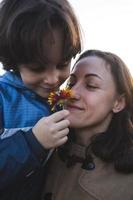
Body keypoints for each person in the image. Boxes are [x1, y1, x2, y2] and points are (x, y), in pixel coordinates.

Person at [0, 0, 82, 199]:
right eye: (37, 68)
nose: (53, 79)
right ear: (13, 62)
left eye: (63, 64)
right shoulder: (3, 98)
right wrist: (33, 142)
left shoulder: (59, 99)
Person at [42, 49, 133, 200]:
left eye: (91, 85)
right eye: (71, 83)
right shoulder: (47, 149)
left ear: (118, 103)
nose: (72, 93)